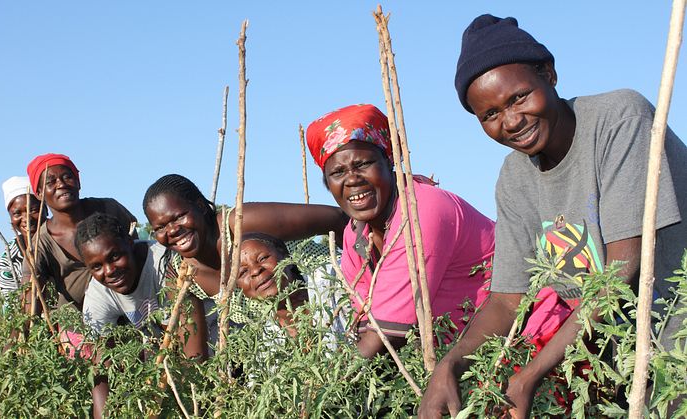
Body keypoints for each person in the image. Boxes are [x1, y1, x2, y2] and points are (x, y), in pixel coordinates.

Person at [418, 14, 687, 418]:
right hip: (624, 366)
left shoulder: (619, 119)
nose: (510, 122)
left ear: (549, 74)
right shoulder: (514, 179)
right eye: (489, 115)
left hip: (676, 347)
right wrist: (451, 363)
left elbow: (620, 269)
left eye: (519, 98)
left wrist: (530, 375)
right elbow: (508, 301)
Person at [305, 104, 496, 358]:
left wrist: (324, 389)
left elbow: (382, 339)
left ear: (389, 161)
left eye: (363, 164)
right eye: (338, 172)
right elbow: (366, 323)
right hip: (462, 361)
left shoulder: (422, 209)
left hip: (522, 344)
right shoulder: (355, 235)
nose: (352, 179)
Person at [142, 174, 348, 348]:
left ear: (199, 206)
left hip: (339, 304)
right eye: (160, 228)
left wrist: (364, 275)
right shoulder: (183, 275)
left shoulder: (240, 223)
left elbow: (337, 218)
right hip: (296, 338)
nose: (172, 230)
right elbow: (192, 346)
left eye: (179, 217)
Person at [76, 213, 206, 418]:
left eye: (115, 256)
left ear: (130, 242)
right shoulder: (97, 296)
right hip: (166, 359)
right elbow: (102, 370)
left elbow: (194, 356)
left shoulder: (166, 263)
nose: (109, 271)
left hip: (215, 345)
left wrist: (191, 407)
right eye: (96, 267)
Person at [23, 153, 137, 312]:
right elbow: (30, 296)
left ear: (78, 182)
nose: (61, 184)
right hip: (81, 322)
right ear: (39, 193)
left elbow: (137, 251)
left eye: (67, 177)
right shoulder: (41, 243)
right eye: (51, 181)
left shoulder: (109, 209)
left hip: (133, 307)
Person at [0, 176, 48, 310]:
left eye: (33, 210)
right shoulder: (8, 260)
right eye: (17, 213)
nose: (26, 219)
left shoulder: (61, 242)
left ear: (46, 210)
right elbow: (11, 310)